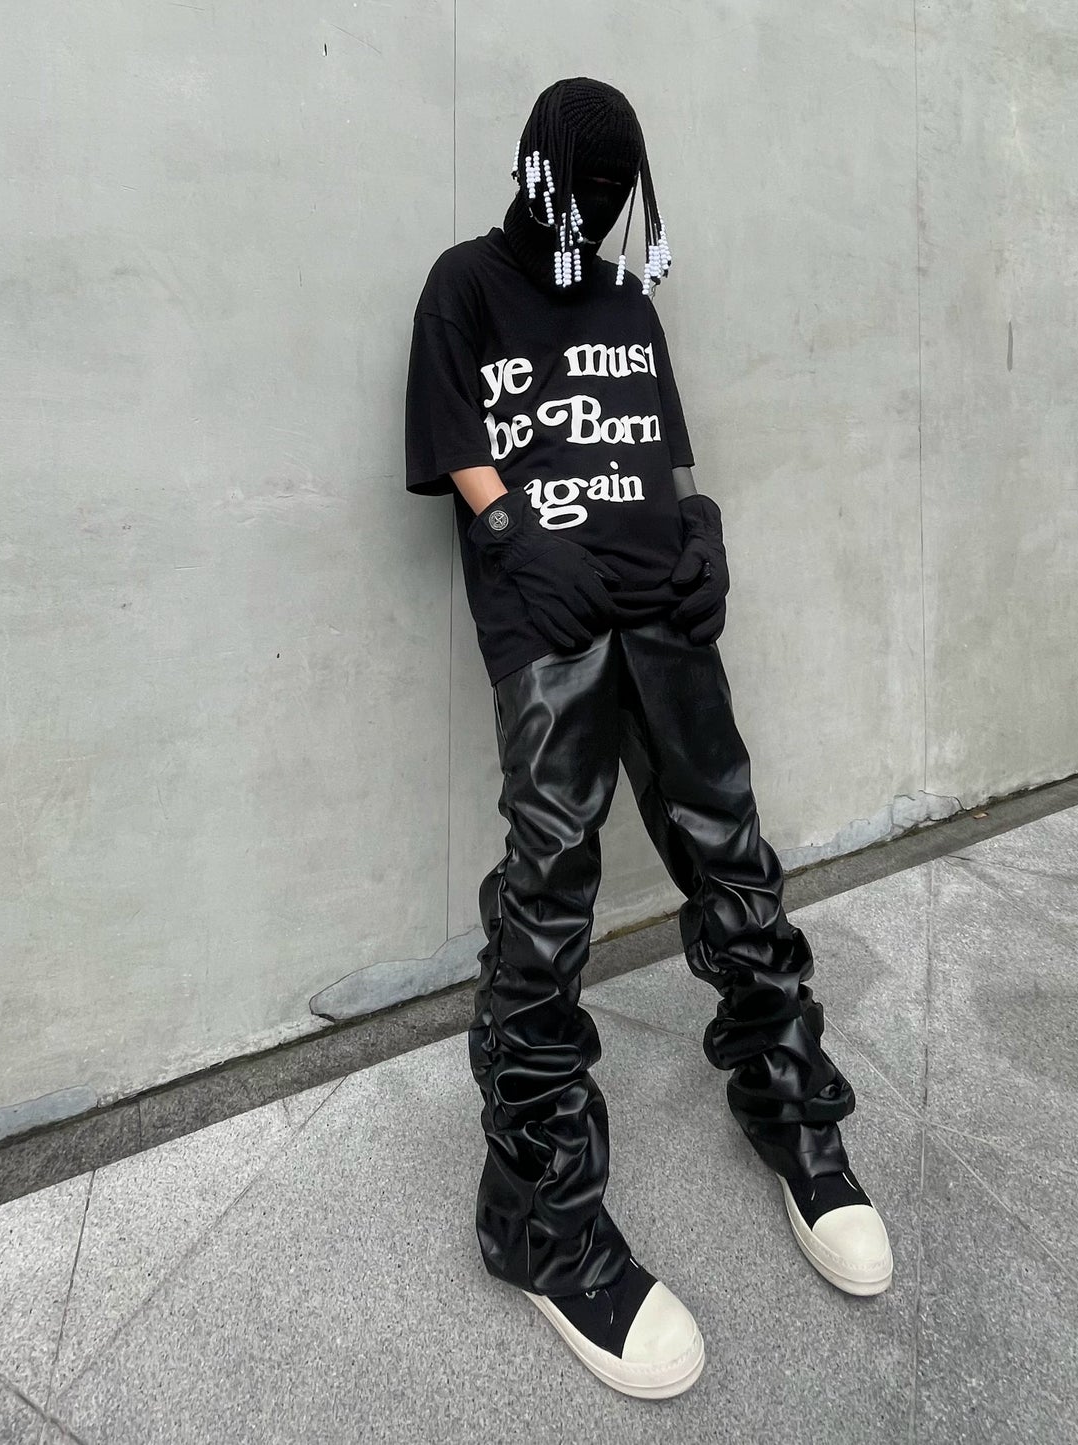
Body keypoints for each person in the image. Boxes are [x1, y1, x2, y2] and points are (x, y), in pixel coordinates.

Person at [404, 77, 891, 1400]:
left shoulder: (625, 297)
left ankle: (788, 1105)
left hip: (659, 601)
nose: (601, 212)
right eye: (584, 187)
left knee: (726, 839)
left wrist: (696, 526)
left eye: (618, 193)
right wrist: (516, 537)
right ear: (535, 173)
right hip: (550, 615)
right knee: (550, 880)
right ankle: (539, 1216)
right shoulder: (463, 284)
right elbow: (457, 442)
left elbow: (661, 446)